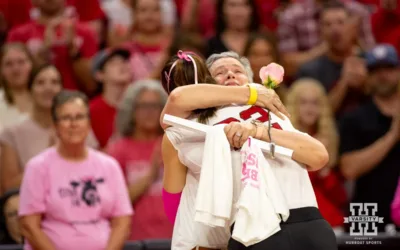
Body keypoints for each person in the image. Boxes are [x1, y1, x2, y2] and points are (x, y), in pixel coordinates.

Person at [161, 51, 336, 250]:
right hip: (252, 229)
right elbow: (177, 98)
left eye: (238, 70)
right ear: (205, 85)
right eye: (220, 72)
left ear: (251, 80)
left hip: (306, 220)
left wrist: (257, 131)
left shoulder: (276, 114)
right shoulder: (194, 124)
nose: (230, 74)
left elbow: (319, 156)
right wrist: (250, 93)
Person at [18, 90, 133, 250]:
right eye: (66, 118)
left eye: (80, 117)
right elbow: (29, 226)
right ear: (55, 124)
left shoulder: (109, 165)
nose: (74, 124)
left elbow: (122, 221)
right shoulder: (37, 166)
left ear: (89, 122)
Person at [0, 64, 98, 193]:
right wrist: (50, 158)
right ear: (30, 89)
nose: (48, 88)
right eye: (40, 83)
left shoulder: (80, 126)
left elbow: (96, 171)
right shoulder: (12, 133)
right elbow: (9, 187)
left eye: (54, 82)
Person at [339, 44, 400, 232]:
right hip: (367, 212)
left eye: (389, 69)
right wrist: (392, 136)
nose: (383, 76)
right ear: (368, 75)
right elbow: (348, 169)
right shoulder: (354, 117)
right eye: (375, 70)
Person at [107, 80, 173, 240]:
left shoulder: (173, 142)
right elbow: (114, 203)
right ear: (131, 110)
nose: (149, 112)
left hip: (175, 237)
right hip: (136, 239)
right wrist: (150, 176)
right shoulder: (118, 149)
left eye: (155, 106)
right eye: (143, 106)